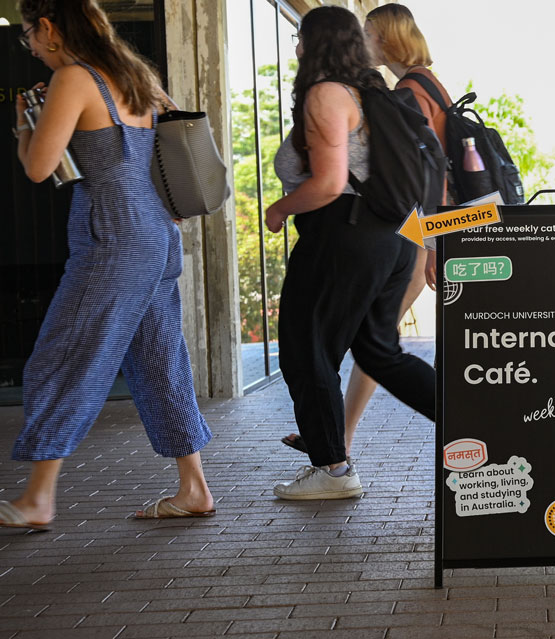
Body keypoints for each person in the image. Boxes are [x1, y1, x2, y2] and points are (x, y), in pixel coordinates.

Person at [1, 0, 215, 531]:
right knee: (159, 361)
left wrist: (23, 124)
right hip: (158, 236)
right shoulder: (133, 74)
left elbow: (39, 168)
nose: (28, 44)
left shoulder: (72, 79)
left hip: (113, 241)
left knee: (62, 358)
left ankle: (37, 500)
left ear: (49, 28)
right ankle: (194, 489)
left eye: (28, 33)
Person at [266, 6, 435, 500]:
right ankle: (477, 417)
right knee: (379, 353)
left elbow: (329, 183)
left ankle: (333, 470)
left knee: (306, 349)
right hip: (392, 239)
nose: (296, 46)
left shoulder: (326, 95)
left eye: (302, 36)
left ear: (319, 44)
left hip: (343, 235)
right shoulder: (370, 90)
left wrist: (279, 209)